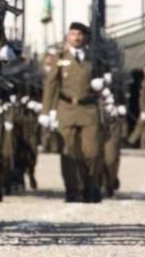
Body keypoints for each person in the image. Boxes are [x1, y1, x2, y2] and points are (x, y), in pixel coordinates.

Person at [40, 22, 105, 203]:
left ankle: (90, 185)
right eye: (73, 33)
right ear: (68, 36)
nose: (76, 37)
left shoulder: (94, 59)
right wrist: (47, 111)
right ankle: (73, 190)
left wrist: (102, 85)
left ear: (86, 38)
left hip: (88, 109)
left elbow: (106, 79)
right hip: (66, 108)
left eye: (80, 34)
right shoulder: (60, 58)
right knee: (68, 152)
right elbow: (51, 84)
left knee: (91, 152)